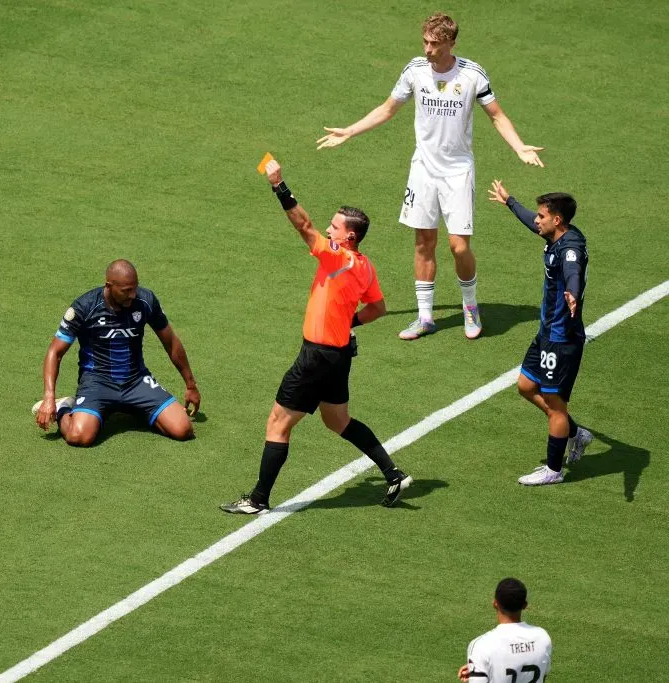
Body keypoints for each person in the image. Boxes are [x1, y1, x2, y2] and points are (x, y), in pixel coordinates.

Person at [318, 12, 545, 341]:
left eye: (435, 44)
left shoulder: (472, 75)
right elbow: (387, 109)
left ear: (451, 42)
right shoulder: (415, 71)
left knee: (458, 246)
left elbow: (497, 116)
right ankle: (425, 317)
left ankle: (470, 307)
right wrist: (350, 131)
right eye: (425, 42)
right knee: (424, 242)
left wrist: (520, 147)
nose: (427, 49)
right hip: (423, 169)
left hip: (457, 171)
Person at [220, 159, 411, 514]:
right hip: (337, 356)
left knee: (278, 422)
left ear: (348, 237)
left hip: (316, 356)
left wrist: (279, 186)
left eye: (335, 227)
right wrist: (347, 322)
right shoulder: (366, 266)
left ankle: (258, 499)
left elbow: (304, 225)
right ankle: (393, 473)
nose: (328, 229)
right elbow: (378, 309)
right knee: (338, 421)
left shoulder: (336, 258)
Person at [488, 181, 593, 485]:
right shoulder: (556, 236)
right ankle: (576, 433)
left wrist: (572, 293)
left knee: (554, 403)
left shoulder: (570, 249)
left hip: (563, 338)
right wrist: (510, 202)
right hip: (546, 332)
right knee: (524, 386)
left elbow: (573, 272)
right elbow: (530, 223)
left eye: (541, 216)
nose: (536, 220)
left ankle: (554, 470)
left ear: (556, 220)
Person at [32, 260, 200, 447]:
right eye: (126, 290)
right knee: (78, 436)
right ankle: (63, 408)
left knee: (183, 430)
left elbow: (171, 342)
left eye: (134, 288)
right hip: (97, 381)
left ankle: (137, 407)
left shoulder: (145, 301)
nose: (133, 295)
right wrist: (49, 398)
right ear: (109, 286)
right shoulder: (85, 307)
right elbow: (55, 352)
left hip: (136, 381)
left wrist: (190, 385)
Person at [459, 578, 553, 682]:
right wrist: (480, 669)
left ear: (495, 603)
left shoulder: (482, 646)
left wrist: (479, 669)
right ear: (525, 605)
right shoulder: (542, 638)